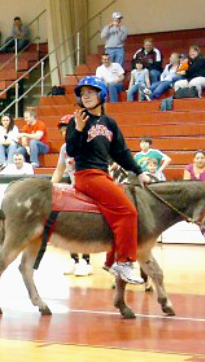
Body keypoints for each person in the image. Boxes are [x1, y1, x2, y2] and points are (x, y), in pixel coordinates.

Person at [66, 76, 149, 284]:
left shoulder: (109, 123)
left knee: (119, 215)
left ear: (102, 95)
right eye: (83, 93)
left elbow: (121, 152)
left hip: (103, 175)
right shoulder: (77, 120)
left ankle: (111, 261)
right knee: (128, 212)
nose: (86, 96)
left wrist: (138, 172)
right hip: (86, 175)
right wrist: (77, 129)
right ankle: (125, 262)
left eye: (91, 92)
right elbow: (71, 151)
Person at [51, 114, 92, 276]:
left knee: (85, 226)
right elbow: (59, 170)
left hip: (89, 188)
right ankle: (74, 259)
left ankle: (87, 261)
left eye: (66, 130)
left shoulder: (86, 144)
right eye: (61, 131)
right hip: (74, 188)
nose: (63, 134)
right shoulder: (64, 149)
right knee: (69, 225)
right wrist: (51, 186)